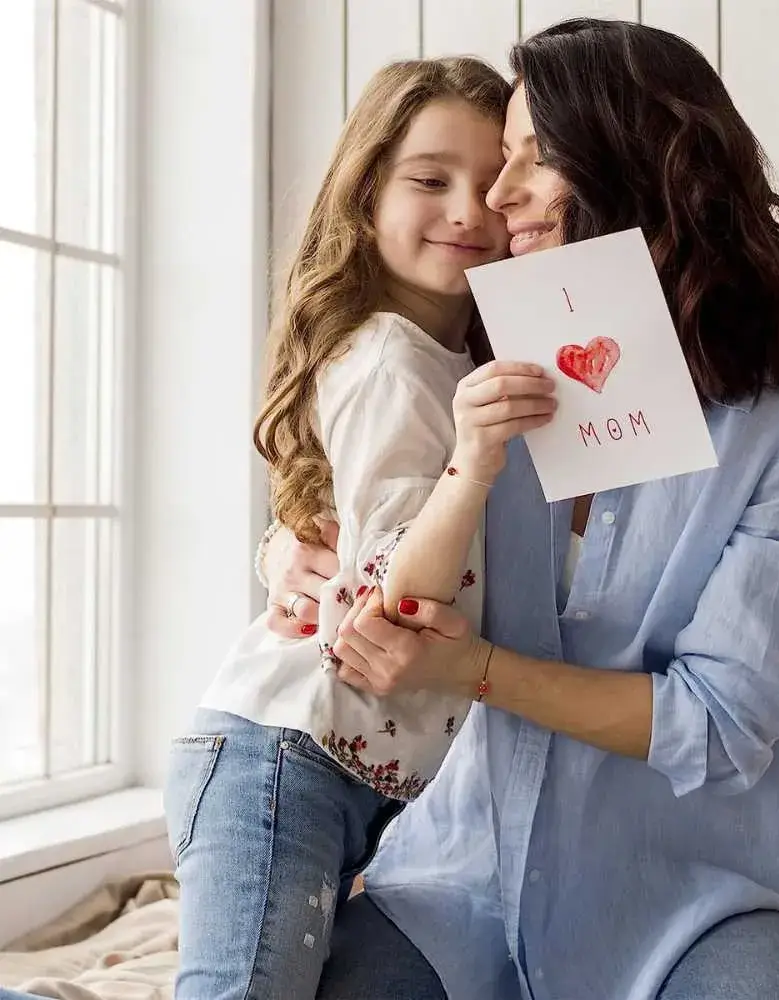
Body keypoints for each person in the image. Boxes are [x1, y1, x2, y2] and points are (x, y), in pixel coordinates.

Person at [263, 19, 779, 1000]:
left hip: (695, 903)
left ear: (631, 160)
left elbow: (717, 722)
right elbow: (362, 499)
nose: (497, 199)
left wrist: (472, 668)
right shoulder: (470, 360)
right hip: (445, 887)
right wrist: (288, 548)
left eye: (532, 158)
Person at [162, 57, 555, 1000]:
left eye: (489, 181)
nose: (470, 210)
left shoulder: (464, 359)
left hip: (378, 783)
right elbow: (389, 598)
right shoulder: (385, 360)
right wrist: (471, 465)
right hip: (285, 754)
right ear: (366, 191)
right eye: (429, 180)